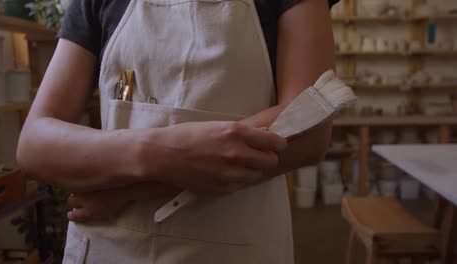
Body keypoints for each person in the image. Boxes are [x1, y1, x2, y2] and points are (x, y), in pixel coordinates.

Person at [17, 0, 338, 262]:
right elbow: (34, 145)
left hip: (231, 246)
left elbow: (308, 125)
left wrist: (126, 189)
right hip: (107, 246)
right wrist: (160, 150)